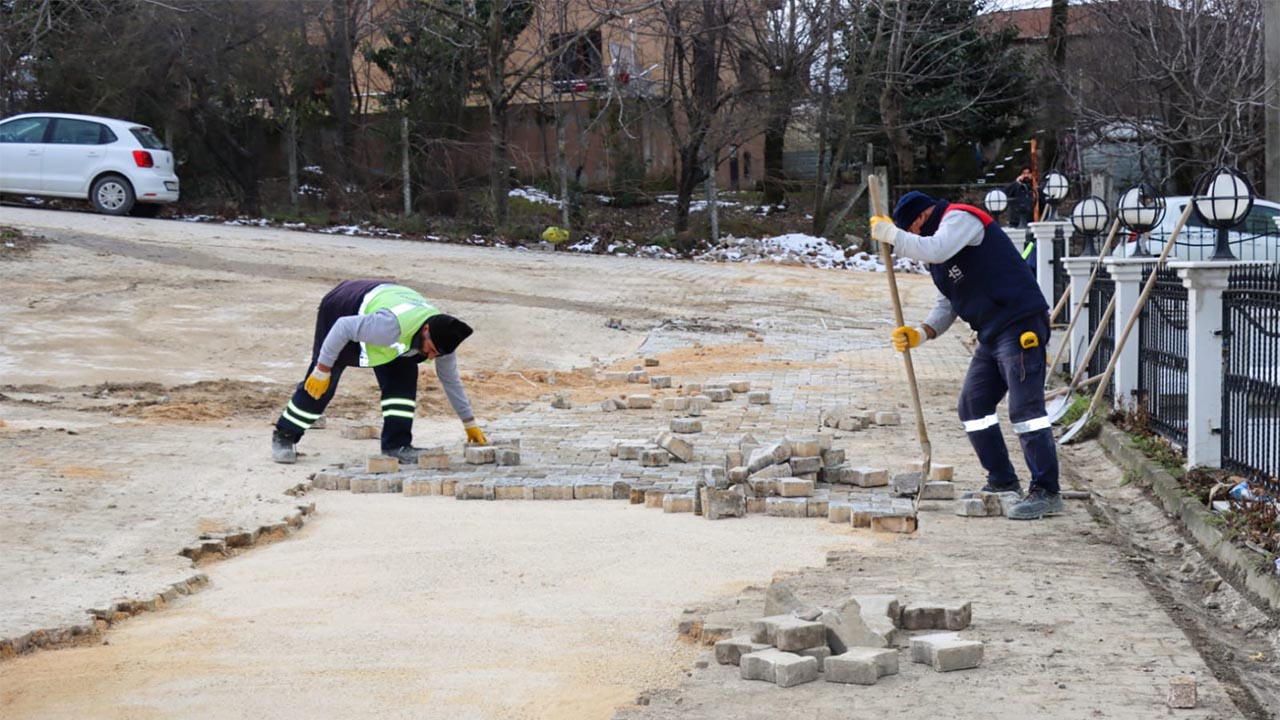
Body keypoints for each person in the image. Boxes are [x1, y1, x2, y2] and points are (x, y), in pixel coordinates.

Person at [870, 191, 1062, 520]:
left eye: (912, 231)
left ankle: (1047, 490)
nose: (914, 238)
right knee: (973, 405)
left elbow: (934, 248)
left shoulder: (960, 219)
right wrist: (923, 332)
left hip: (1018, 323)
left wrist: (892, 235)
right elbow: (949, 301)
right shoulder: (940, 252)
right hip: (991, 333)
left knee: (1025, 410)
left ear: (919, 218)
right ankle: (1002, 480)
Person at [271, 280, 487, 464]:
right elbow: (343, 327)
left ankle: (397, 445)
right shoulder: (389, 325)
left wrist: (469, 424)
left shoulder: (444, 340)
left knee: (403, 381)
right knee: (323, 382)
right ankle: (285, 434)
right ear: (426, 329)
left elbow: (450, 382)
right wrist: (321, 368)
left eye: (436, 355)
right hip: (344, 306)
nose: (431, 358)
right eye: (431, 350)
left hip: (387, 314)